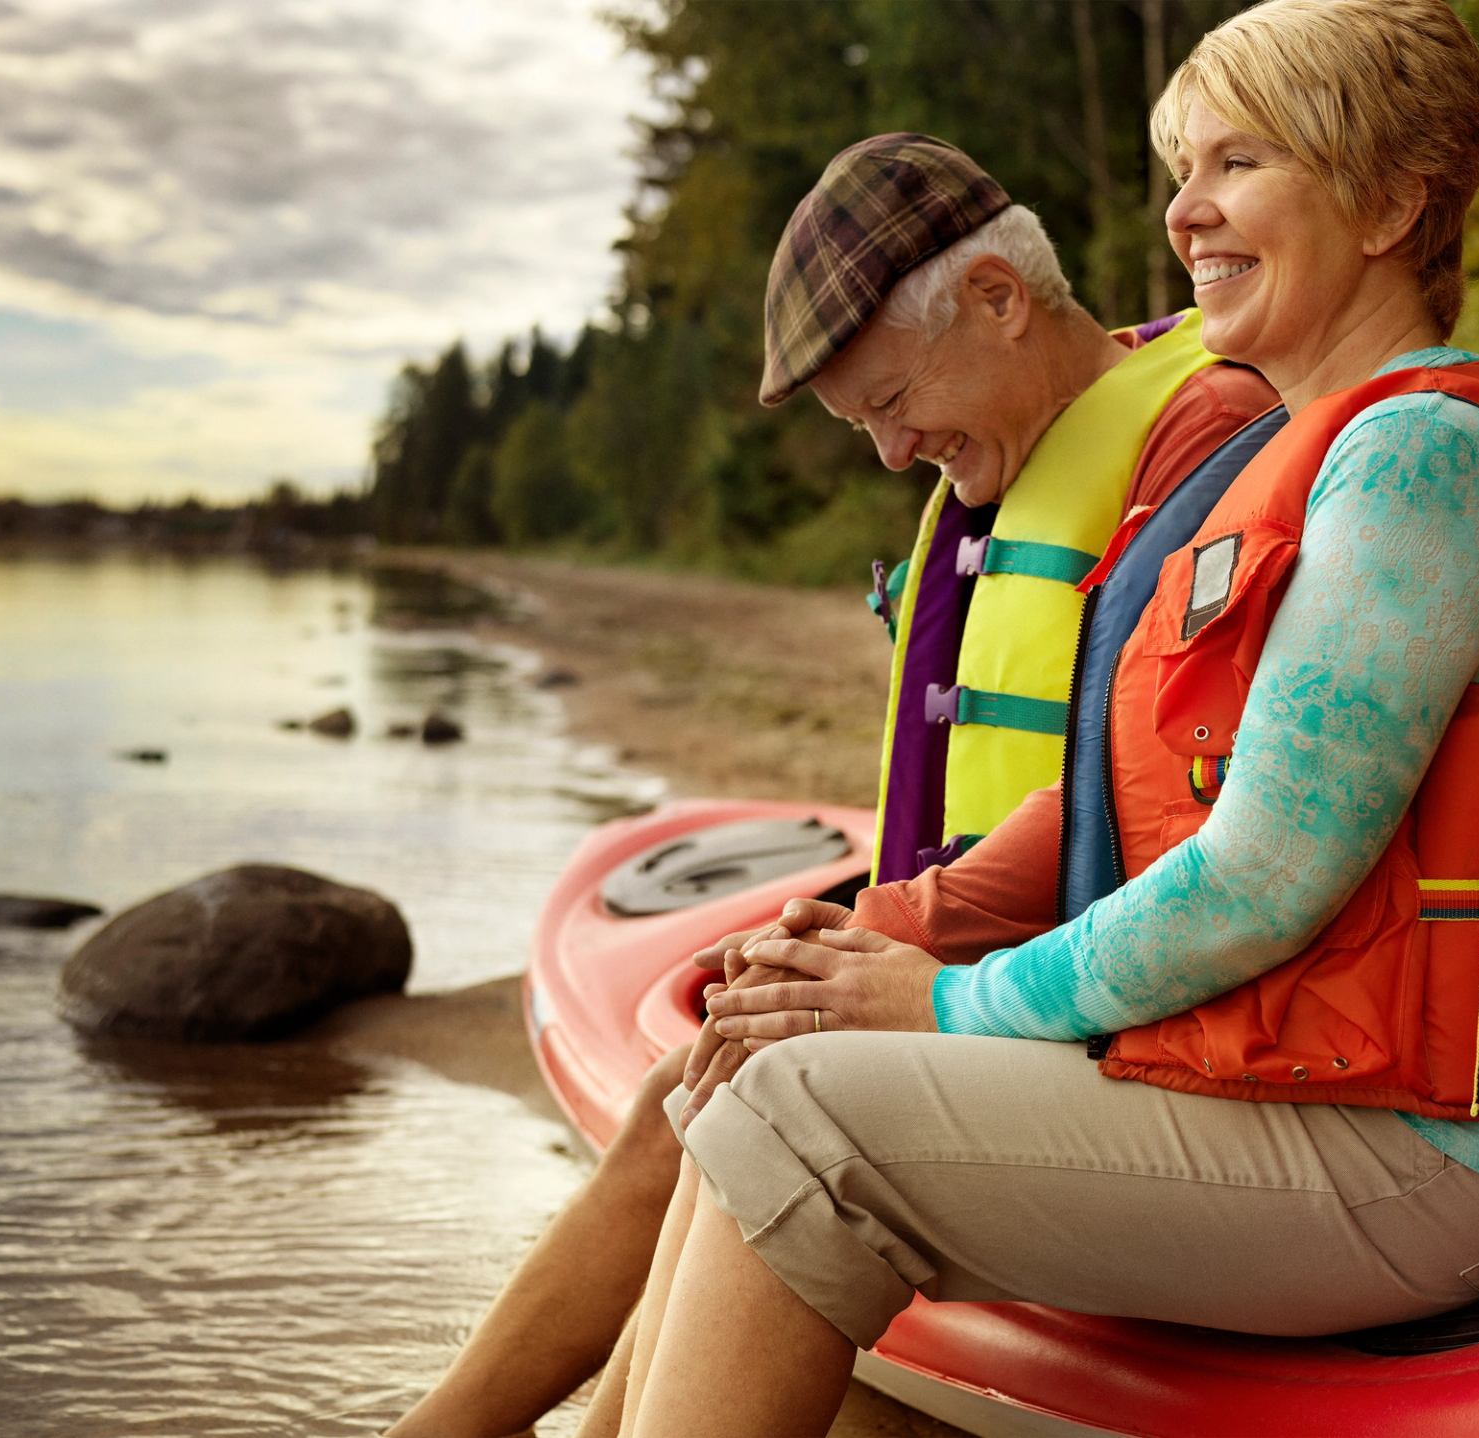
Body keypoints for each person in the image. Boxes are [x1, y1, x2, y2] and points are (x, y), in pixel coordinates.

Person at [603, 1, 1479, 1433]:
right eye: (1183, 168)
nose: (1186, 212)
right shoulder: (1299, 456)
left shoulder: (1422, 461)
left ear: (1392, 199)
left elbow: (1262, 877)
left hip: (1462, 1154)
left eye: (1240, 163)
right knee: (777, 1083)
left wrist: (950, 1001)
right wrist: (920, 952)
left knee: (806, 1122)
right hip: (1324, 1094)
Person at [385, 137, 1276, 1437]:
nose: (889, 453)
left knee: (719, 1092)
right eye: (865, 423)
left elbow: (1143, 791)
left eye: (894, 401)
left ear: (997, 295)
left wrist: (893, 931)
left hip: (1103, 968)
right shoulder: (1030, 441)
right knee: (691, 1085)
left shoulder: (1206, 428)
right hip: (1000, 929)